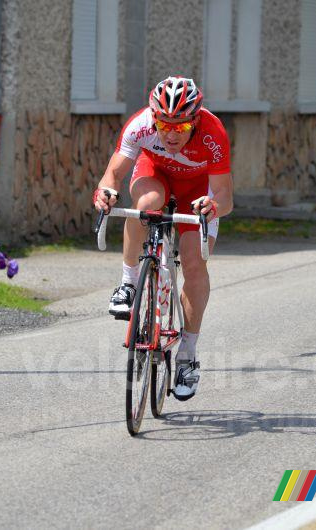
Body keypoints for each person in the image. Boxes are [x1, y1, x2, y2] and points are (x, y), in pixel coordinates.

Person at [92, 76, 233, 401]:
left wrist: (212, 206)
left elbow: (225, 197)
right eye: (163, 125)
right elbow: (113, 174)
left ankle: (187, 354)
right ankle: (128, 283)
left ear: (194, 121)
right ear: (153, 116)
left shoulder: (213, 133)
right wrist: (105, 191)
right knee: (145, 205)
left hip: (198, 191)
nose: (170, 134)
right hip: (155, 175)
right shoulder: (140, 125)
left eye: (181, 128)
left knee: (194, 264)